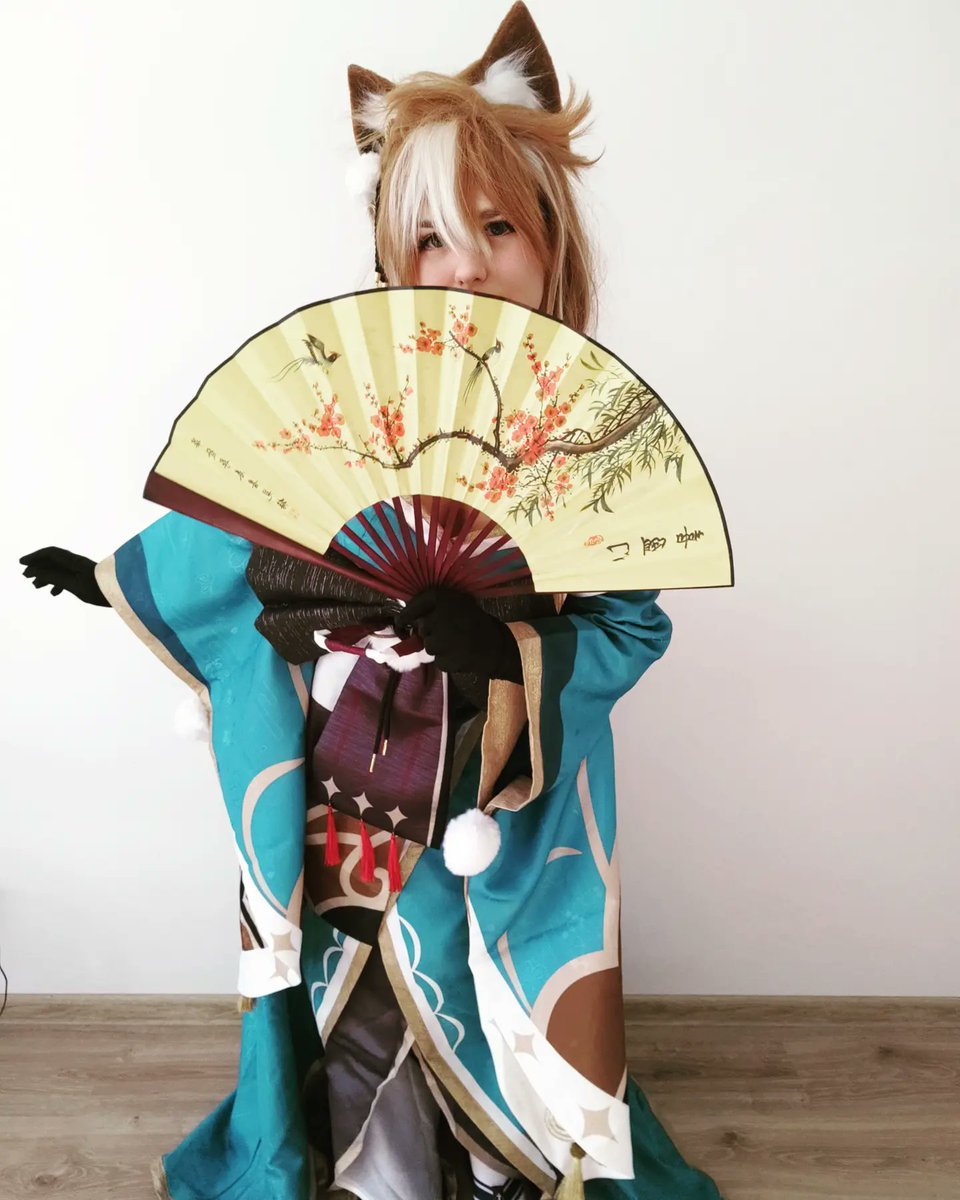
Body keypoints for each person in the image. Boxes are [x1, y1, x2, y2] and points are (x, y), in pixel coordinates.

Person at [20, 5, 724, 1199]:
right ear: (394, 261)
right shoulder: (347, 405)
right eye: (431, 240)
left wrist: (507, 647)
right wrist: (111, 580)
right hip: (352, 754)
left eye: (498, 228)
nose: (467, 268)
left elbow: (630, 622)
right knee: (360, 963)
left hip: (499, 785)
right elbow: (247, 534)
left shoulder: (590, 437)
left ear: (552, 240)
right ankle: (371, 1153)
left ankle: (506, 1156)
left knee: (481, 961)